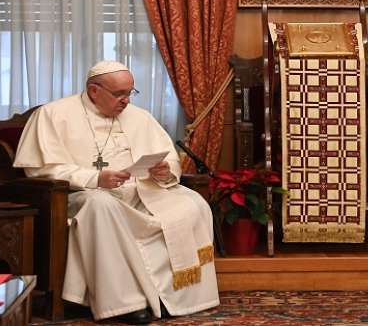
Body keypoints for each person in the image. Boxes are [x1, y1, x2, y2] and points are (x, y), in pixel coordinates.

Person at [14, 61, 219, 324]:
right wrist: (96, 178)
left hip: (141, 192)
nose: (126, 101)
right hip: (80, 196)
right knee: (101, 205)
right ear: (94, 90)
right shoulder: (53, 115)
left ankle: (174, 297)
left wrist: (164, 172)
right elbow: (42, 169)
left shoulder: (140, 117)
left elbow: (169, 159)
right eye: (119, 94)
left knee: (192, 203)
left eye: (130, 93)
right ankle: (126, 304)